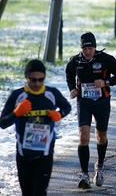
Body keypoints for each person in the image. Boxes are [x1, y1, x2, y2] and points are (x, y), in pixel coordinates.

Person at [0, 59, 71, 196]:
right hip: (24, 154)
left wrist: (59, 114)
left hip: (45, 153)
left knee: (40, 192)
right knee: (27, 193)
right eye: (33, 80)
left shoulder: (51, 93)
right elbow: (2, 123)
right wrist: (16, 113)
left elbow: (67, 107)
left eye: (41, 79)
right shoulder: (17, 96)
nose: (37, 83)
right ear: (26, 78)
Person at [66, 32, 116, 189]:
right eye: (85, 49)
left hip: (102, 102)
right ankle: (85, 175)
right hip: (83, 102)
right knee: (83, 136)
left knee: (101, 136)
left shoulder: (105, 59)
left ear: (95, 47)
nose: (88, 52)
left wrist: (106, 82)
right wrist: (72, 89)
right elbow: (69, 75)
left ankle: (99, 165)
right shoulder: (75, 61)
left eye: (91, 48)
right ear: (81, 49)